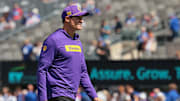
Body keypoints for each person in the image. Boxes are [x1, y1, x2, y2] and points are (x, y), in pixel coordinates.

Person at [37, 4, 101, 101]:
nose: (81, 20)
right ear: (67, 19)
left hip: (71, 96)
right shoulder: (53, 40)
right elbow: (42, 70)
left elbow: (83, 72)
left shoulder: (77, 42)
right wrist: (42, 99)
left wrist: (94, 97)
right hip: (57, 95)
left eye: (82, 18)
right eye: (78, 18)